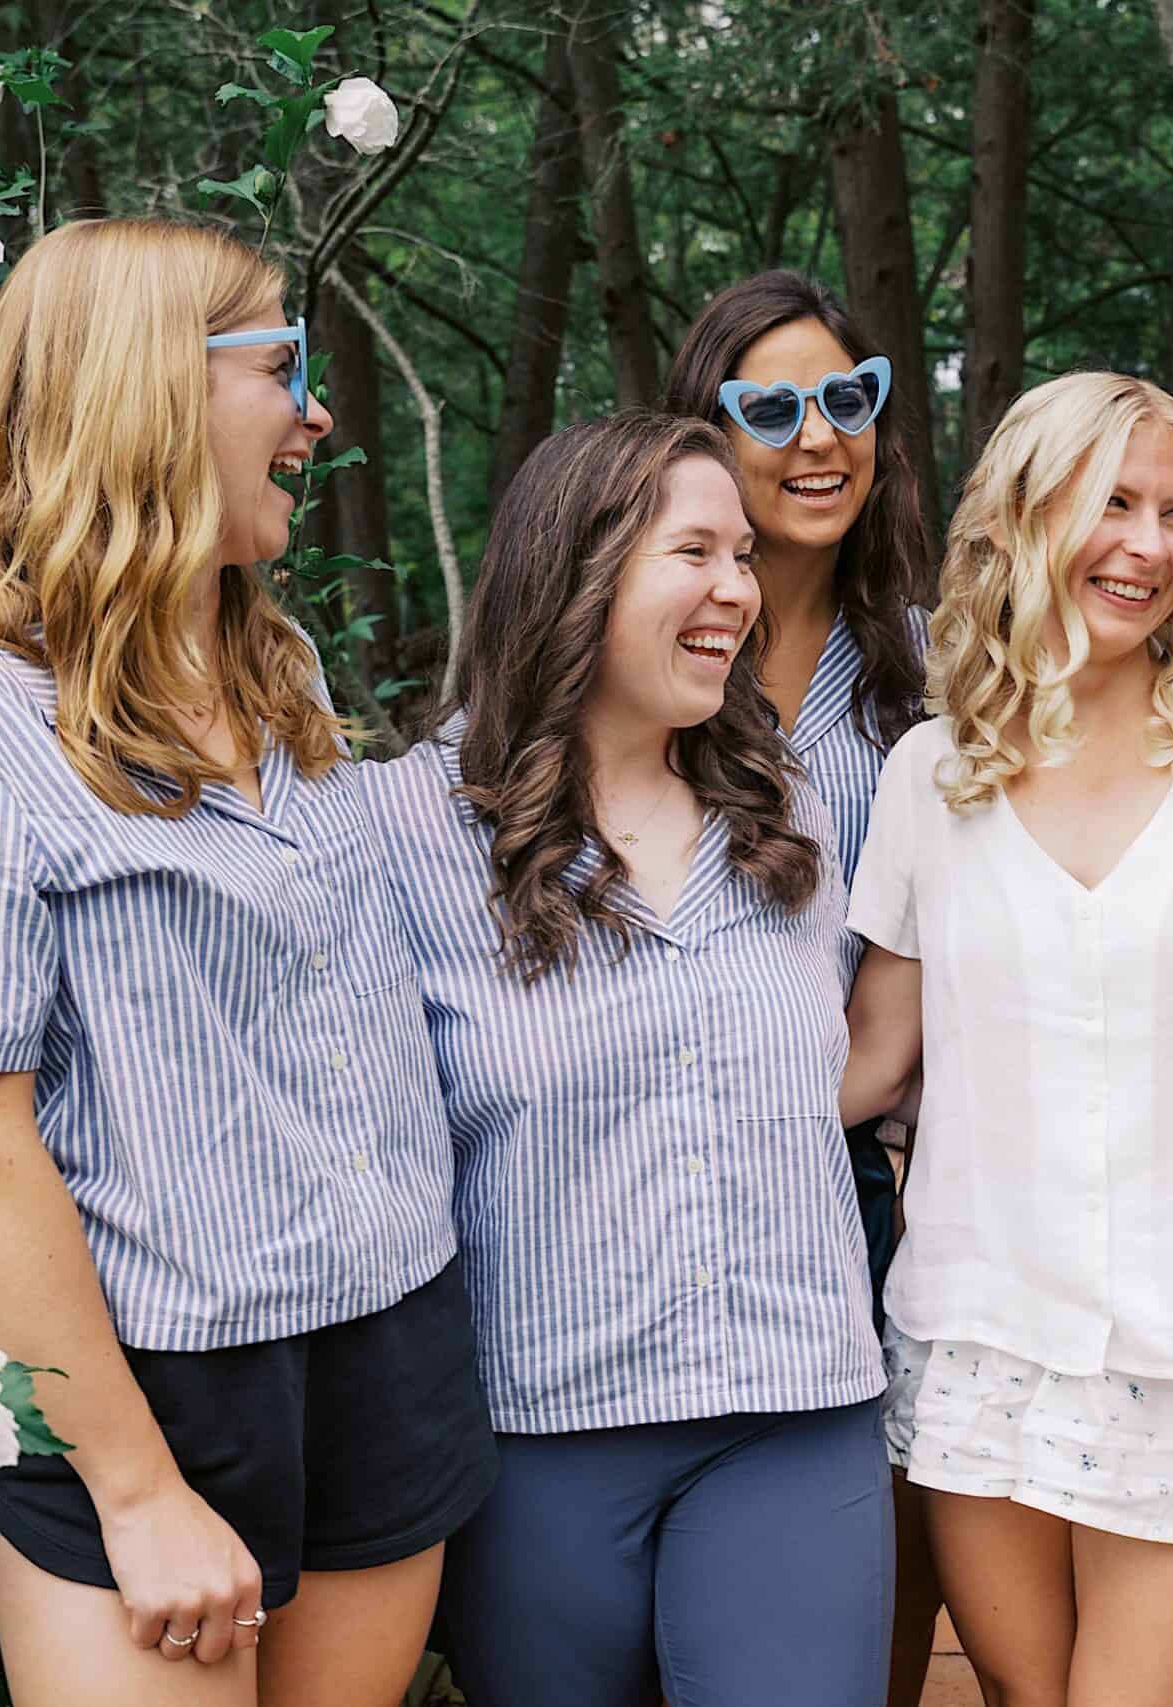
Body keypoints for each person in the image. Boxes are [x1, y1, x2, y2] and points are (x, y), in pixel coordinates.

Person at [0, 218, 494, 1707]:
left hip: (384, 1335)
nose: (318, 415)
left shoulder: (282, 673)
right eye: (284, 368)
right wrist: (134, 1489)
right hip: (149, 1387)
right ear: (149, 390)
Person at [840, 373, 1173, 1707]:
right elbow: (874, 1059)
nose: (1146, 545)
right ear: (1021, 518)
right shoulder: (930, 774)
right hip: (973, 1337)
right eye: (1110, 504)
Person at [368, 413, 891, 1707]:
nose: (737, 589)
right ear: (577, 570)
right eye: (696, 551)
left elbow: (842, 1064)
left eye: (744, 556)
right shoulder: (399, 834)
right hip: (535, 1431)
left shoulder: (788, 813)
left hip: (793, 1412)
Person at [659, 269, 941, 1705]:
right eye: (771, 408)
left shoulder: (938, 673)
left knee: (857, 1600)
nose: (818, 434)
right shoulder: (630, 652)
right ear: (705, 434)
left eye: (848, 397)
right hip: (655, 1170)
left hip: (867, 1178)